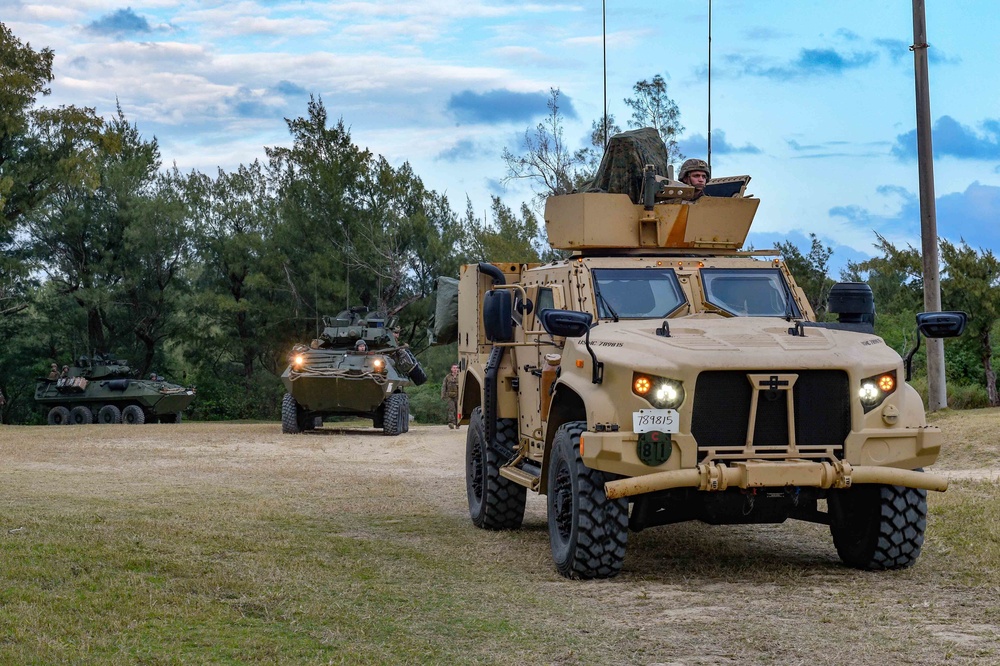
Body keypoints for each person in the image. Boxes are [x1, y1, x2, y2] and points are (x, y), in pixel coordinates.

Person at [441, 364, 460, 429]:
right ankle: (451, 423)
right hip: (450, 396)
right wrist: (443, 395)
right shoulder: (447, 377)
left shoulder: (460, 376)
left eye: (456, 368)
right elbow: (444, 386)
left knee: (458, 409)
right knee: (451, 409)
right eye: (454, 368)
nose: (455, 369)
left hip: (458, 396)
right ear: (451, 369)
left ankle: (458, 423)